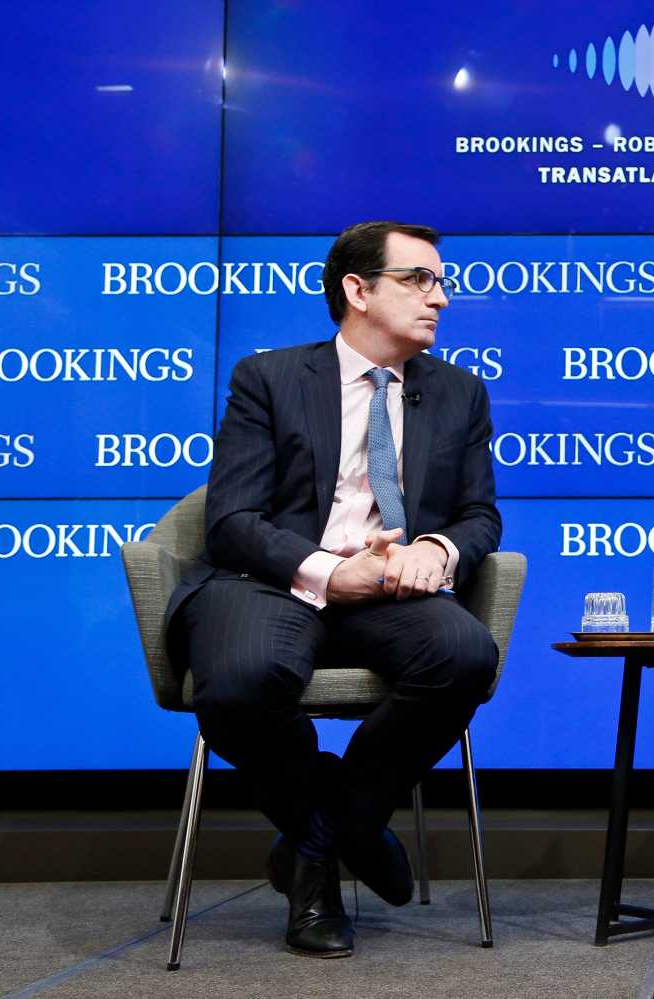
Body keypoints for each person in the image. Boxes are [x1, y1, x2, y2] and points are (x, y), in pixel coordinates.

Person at [165, 221, 501, 958]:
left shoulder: (460, 392)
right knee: (243, 680)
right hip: (274, 582)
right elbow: (232, 520)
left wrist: (437, 548)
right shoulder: (272, 378)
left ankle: (321, 838)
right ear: (357, 289)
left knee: (466, 654)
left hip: (390, 591)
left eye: (441, 282)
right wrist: (325, 568)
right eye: (420, 279)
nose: (439, 298)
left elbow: (480, 515)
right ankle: (335, 840)